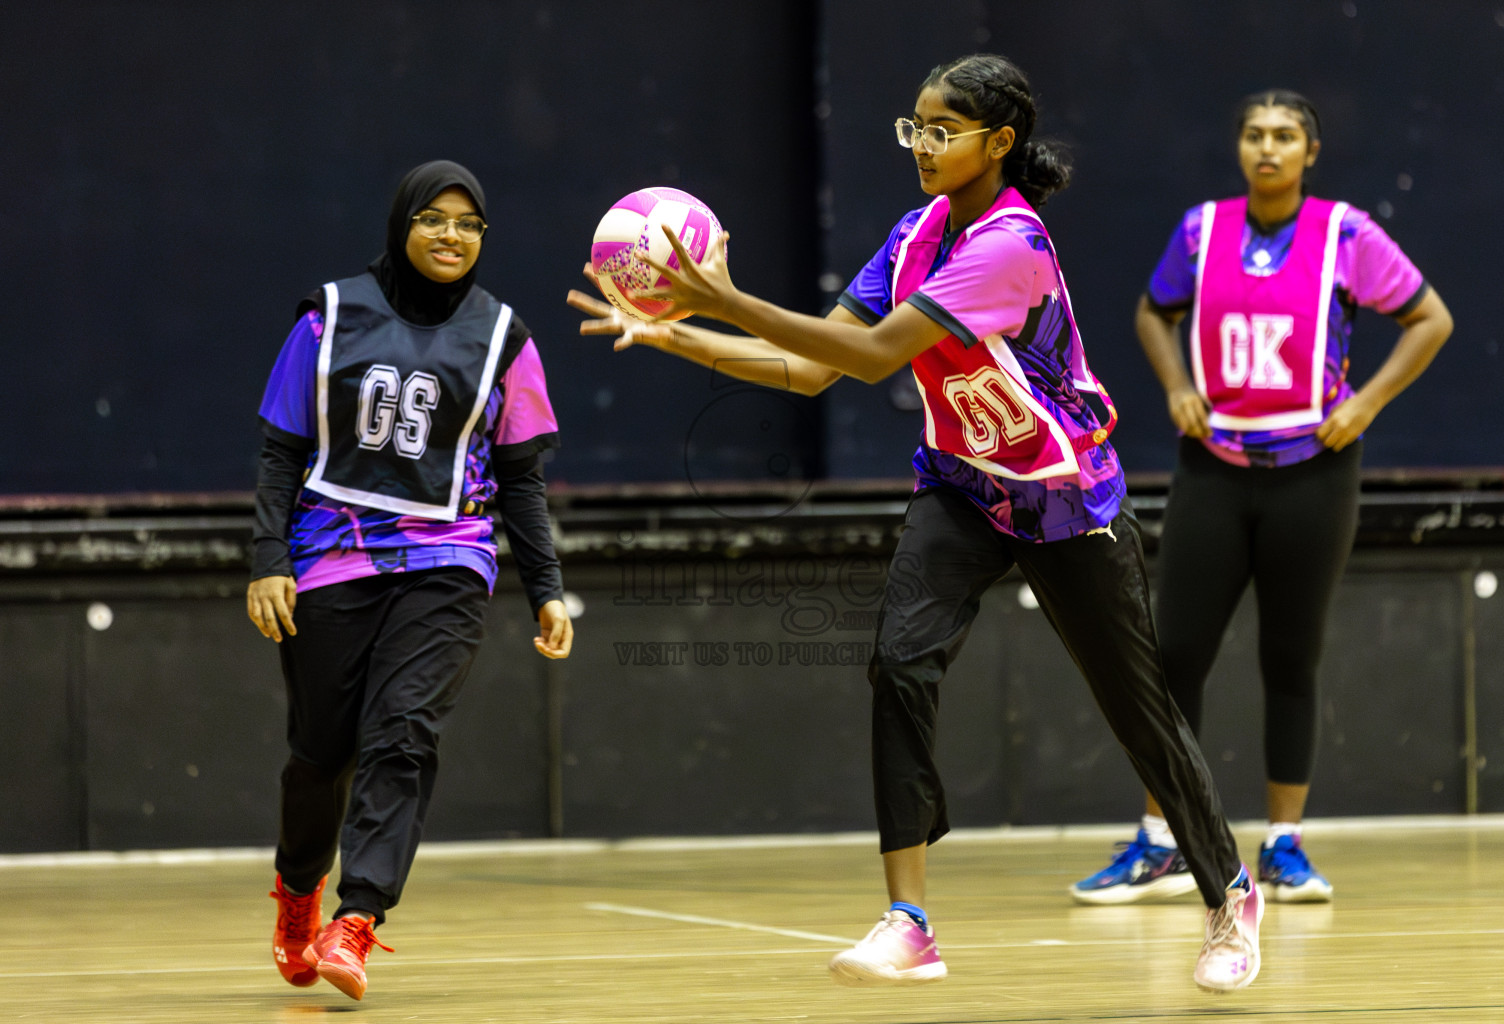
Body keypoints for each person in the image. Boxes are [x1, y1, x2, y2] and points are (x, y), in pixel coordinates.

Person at [569, 54, 1262, 992]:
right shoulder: (916, 233)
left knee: (1138, 712)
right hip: (962, 487)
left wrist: (722, 300)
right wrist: (681, 333)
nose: (923, 146)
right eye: (915, 127)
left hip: (1062, 498)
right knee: (898, 661)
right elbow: (810, 369)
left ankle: (1228, 895)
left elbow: (866, 356)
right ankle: (909, 920)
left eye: (943, 130)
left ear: (999, 143)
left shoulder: (1010, 246)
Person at [1072, 91, 1453, 906]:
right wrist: (1177, 384)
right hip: (1213, 470)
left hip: (1314, 470)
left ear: (1309, 151)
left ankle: (1284, 845)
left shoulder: (1348, 235)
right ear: (1239, 147)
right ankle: (1165, 841)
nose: (1268, 148)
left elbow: (1430, 319)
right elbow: (1151, 311)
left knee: (1290, 656)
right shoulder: (1201, 230)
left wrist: (1368, 402)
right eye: (1254, 135)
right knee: (1174, 657)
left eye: (1285, 136)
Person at [247, 160, 573, 1001]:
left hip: (448, 557)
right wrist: (267, 561)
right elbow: (282, 450)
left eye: (469, 224)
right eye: (435, 219)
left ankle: (356, 920)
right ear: (402, 225)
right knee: (320, 756)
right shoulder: (328, 317)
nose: (452, 236)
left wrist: (546, 585)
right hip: (331, 554)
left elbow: (523, 478)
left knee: (405, 732)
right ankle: (296, 896)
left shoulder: (507, 339)